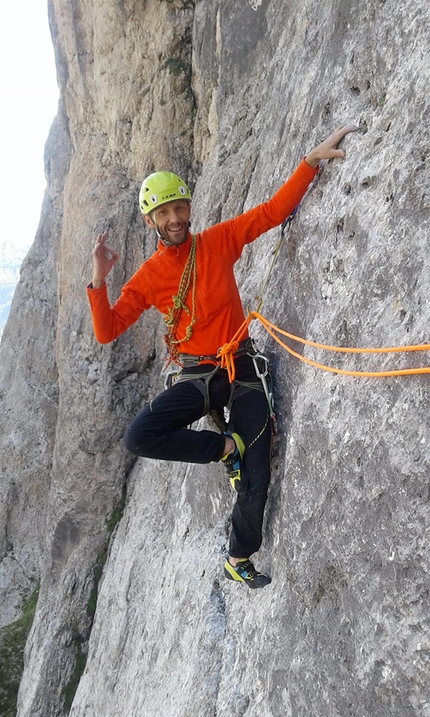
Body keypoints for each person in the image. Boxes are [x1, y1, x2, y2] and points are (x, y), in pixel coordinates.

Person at [87, 125, 357, 589]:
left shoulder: (216, 241)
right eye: (164, 212)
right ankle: (224, 449)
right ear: (151, 222)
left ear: (189, 208)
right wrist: (99, 278)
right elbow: (107, 331)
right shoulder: (149, 277)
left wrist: (309, 162)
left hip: (243, 364)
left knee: (258, 475)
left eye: (179, 207)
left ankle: (239, 556)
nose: (175, 218)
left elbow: (271, 213)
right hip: (199, 375)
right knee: (139, 437)